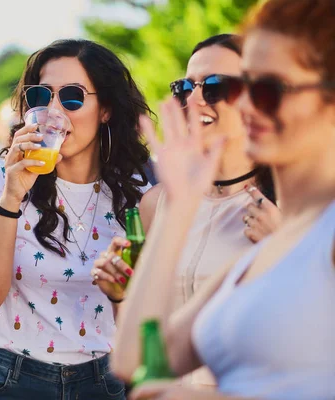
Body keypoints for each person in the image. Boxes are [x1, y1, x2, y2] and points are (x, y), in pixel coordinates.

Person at [112, 0, 335, 399]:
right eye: (244, 85)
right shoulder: (254, 258)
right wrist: (178, 210)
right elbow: (132, 360)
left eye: (268, 89)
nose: (245, 104)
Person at [0, 39, 152, 399]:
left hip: (103, 381)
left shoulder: (135, 193)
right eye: (42, 97)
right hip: (9, 378)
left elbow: (149, 317)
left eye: (72, 96)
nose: (54, 111)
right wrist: (11, 197)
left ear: (105, 109)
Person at [91, 34, 280, 389]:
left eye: (215, 86)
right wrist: (120, 293)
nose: (193, 101)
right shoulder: (157, 203)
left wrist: (285, 248)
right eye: (184, 87)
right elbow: (139, 353)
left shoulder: (294, 208)